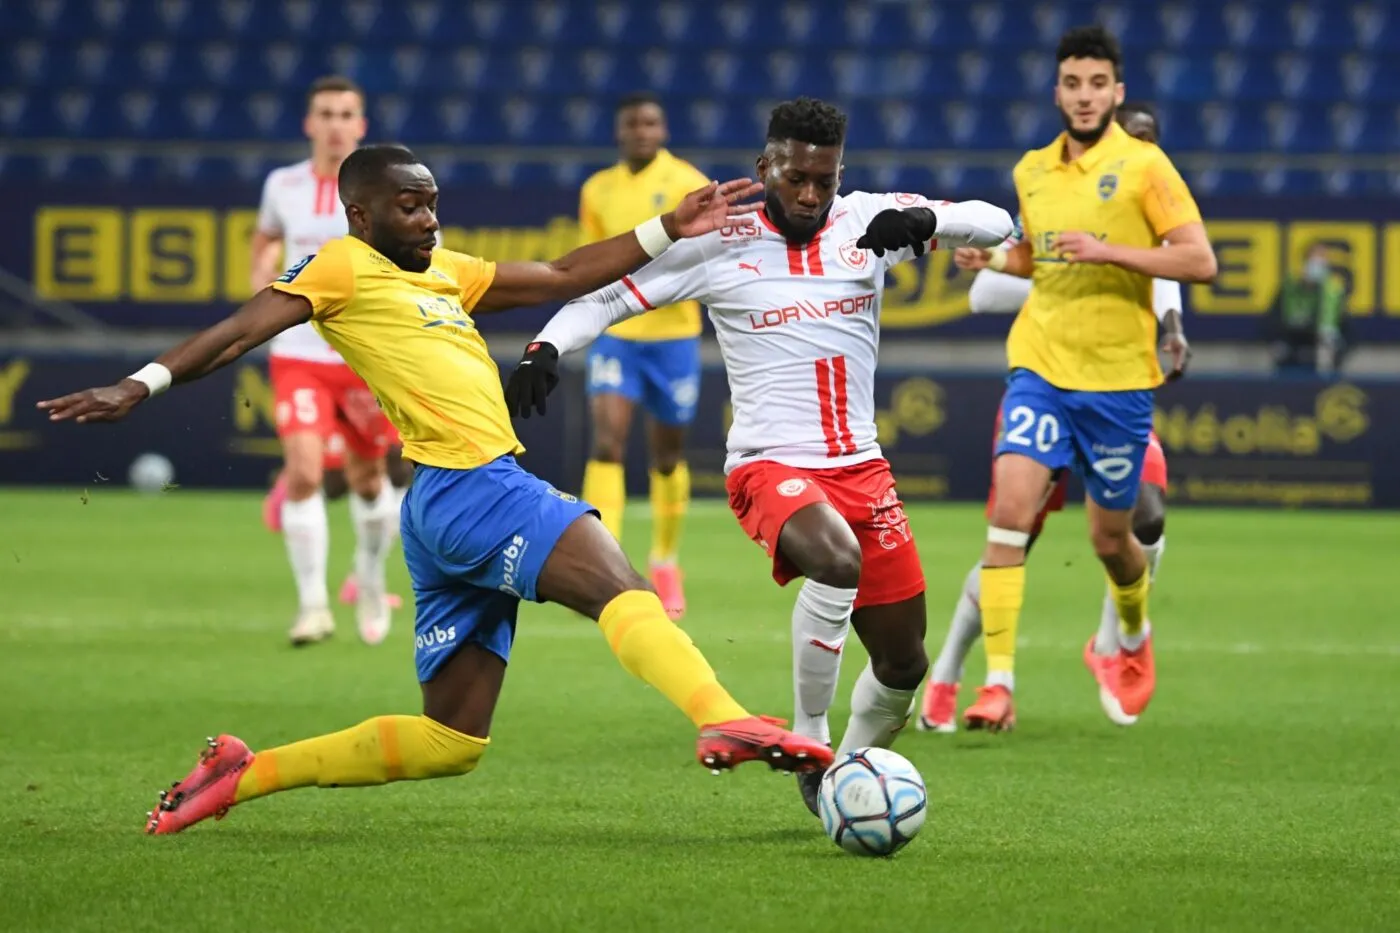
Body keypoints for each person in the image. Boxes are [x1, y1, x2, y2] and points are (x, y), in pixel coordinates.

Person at [38, 145, 834, 836]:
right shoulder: (341, 265)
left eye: (433, 205)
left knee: (450, 740)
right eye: (409, 206)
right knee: (620, 586)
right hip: (475, 484)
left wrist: (667, 227)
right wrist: (141, 385)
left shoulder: (446, 272)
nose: (428, 221)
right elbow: (242, 330)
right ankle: (718, 713)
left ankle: (243, 773)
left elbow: (560, 273)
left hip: (442, 505)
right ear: (360, 213)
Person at [503, 98, 1013, 814]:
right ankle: (811, 741)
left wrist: (927, 221)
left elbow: (1001, 222)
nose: (809, 194)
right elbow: (609, 299)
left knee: (904, 663)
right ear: (765, 167)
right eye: (796, 177)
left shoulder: (868, 218)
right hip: (769, 463)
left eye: (824, 180)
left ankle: (851, 770)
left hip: (862, 466)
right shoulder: (720, 238)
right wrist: (548, 345)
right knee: (834, 561)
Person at [912, 26, 1216, 733]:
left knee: (1113, 538)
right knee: (1008, 523)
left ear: (1117, 92)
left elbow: (1198, 261)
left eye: (1096, 84)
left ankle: (1131, 637)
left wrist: (1110, 251)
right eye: (1072, 84)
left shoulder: (1147, 168)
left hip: (1115, 382)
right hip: (1040, 369)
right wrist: (996, 263)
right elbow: (1039, 260)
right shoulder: (1032, 171)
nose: (1084, 96)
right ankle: (998, 684)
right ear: (1058, 92)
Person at [247, 75, 402, 646]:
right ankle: (312, 606)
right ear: (309, 123)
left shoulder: (385, 187)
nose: (335, 124)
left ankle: (368, 575)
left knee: (368, 480)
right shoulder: (281, 184)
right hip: (298, 354)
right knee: (306, 473)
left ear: (360, 127)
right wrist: (260, 277)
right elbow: (264, 239)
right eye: (325, 114)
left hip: (361, 354)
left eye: (345, 114)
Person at [577, 93, 711, 618]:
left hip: (674, 337)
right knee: (607, 443)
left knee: (667, 456)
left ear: (663, 129)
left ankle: (664, 560)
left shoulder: (687, 182)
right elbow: (591, 257)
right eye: (632, 123)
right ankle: (600, 564)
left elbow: (704, 255)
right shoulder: (597, 189)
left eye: (650, 122)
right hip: (618, 332)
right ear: (619, 131)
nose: (641, 131)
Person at [1268, 243, 1349, 376]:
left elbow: (1346, 327)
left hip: (1321, 352)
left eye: (1322, 259)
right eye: (1314, 259)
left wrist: (1339, 351)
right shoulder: (1290, 287)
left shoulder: (1333, 291)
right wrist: (1277, 342)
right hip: (1292, 351)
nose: (1317, 265)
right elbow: (1273, 319)